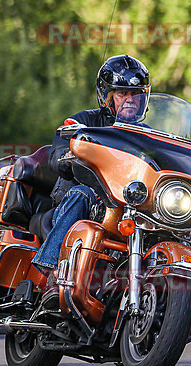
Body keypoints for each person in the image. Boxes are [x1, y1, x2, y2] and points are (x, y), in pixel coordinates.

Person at [31, 54, 151, 274]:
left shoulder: (149, 134)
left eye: (135, 94)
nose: (130, 99)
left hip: (129, 202)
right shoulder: (84, 122)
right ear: (107, 96)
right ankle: (50, 268)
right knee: (82, 193)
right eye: (122, 93)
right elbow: (57, 156)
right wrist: (69, 156)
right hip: (82, 198)